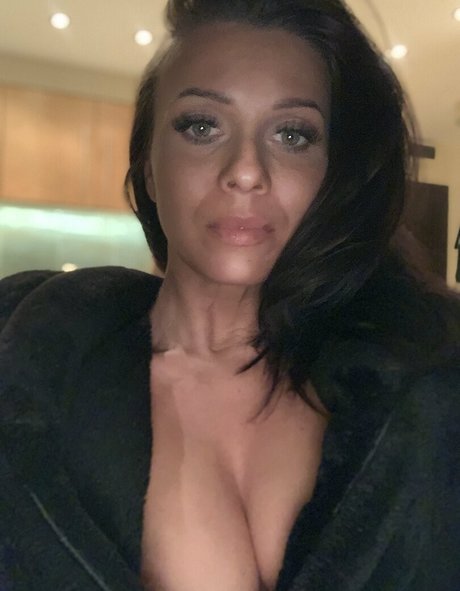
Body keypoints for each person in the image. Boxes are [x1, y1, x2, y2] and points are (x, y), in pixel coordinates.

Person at [0, 0, 459, 590]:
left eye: (292, 135)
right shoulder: (28, 372)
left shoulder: (422, 394)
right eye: (202, 126)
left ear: (330, 175)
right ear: (147, 166)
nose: (246, 170)